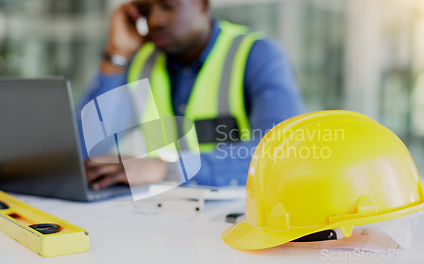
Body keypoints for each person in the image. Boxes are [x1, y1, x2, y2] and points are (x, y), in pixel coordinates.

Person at [77, 0, 305, 190]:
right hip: (166, 214)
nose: (156, 21)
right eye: (146, 12)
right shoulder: (140, 62)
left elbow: (284, 151)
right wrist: (116, 55)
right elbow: (82, 149)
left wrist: (166, 168)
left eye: (168, 6)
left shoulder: (257, 54)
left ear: (203, 4)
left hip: (242, 214)